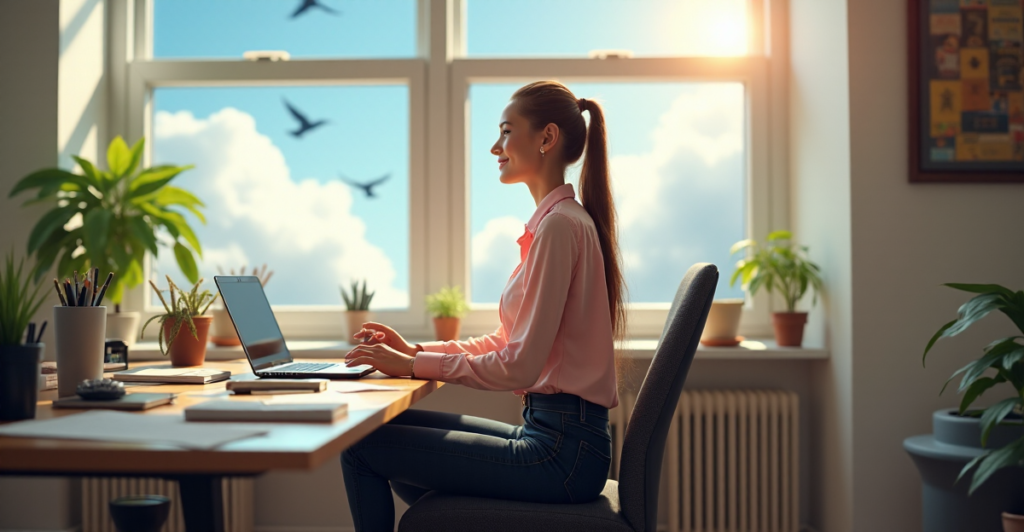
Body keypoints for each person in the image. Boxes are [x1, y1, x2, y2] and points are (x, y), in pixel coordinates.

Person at [340, 80, 626, 532]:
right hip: (556, 437)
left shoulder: (559, 228)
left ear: (547, 138)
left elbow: (520, 366)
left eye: (507, 132)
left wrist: (415, 367)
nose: (496, 146)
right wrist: (415, 353)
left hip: (562, 454)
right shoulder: (557, 224)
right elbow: (507, 342)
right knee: (382, 439)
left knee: (360, 448)